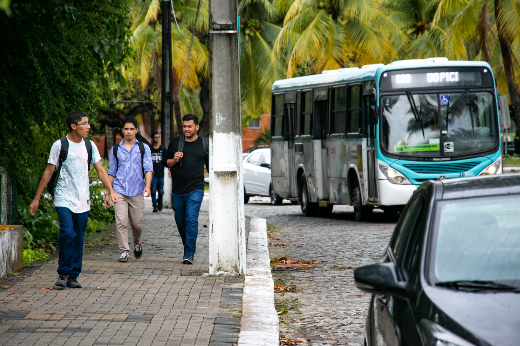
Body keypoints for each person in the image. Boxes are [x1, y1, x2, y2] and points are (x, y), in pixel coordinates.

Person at [29, 111, 118, 289]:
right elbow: (48, 172)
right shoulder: (59, 145)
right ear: (73, 126)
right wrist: (36, 198)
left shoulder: (89, 145)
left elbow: (100, 170)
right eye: (84, 123)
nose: (88, 127)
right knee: (67, 233)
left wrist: (111, 191)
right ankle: (63, 273)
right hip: (63, 198)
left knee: (78, 238)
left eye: (88, 123)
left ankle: (73, 275)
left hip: (82, 199)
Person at [105, 117, 153, 263]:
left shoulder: (143, 148)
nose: (129, 131)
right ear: (122, 130)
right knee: (121, 221)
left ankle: (137, 243)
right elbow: (111, 172)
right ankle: (124, 251)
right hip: (119, 190)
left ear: (136, 131)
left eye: (132, 129)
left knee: (137, 224)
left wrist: (148, 186)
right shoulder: (115, 150)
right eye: (126, 129)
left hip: (137, 190)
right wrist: (108, 193)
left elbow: (148, 169)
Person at [163, 114, 208, 264]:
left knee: (191, 219)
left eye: (189, 126)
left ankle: (189, 253)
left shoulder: (203, 144)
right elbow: (166, 163)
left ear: (197, 127)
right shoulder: (176, 143)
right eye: (184, 126)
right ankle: (188, 246)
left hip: (196, 188)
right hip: (178, 191)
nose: (186, 129)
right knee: (180, 222)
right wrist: (174, 159)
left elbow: (210, 166)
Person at [150, 132, 165, 212]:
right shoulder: (149, 149)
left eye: (158, 137)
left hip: (161, 174)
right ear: (152, 139)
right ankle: (155, 205)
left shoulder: (163, 149)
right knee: (153, 189)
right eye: (155, 137)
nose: (157, 138)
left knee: (161, 191)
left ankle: (159, 201)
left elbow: (167, 160)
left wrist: (170, 169)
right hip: (152, 174)